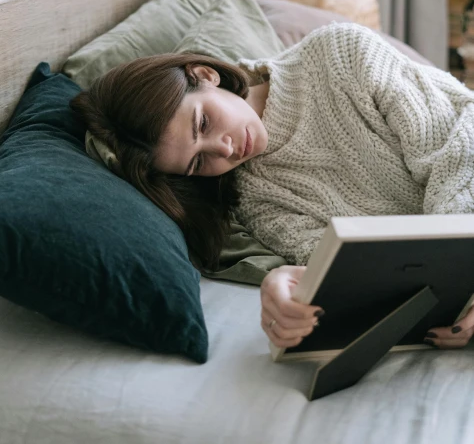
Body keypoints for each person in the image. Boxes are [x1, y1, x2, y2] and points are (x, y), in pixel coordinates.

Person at [70, 22, 474, 352]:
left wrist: (460, 266)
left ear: (206, 75)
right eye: (198, 161)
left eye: (204, 124)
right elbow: (351, 261)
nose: (224, 150)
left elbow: (459, 150)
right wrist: (296, 282)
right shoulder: (254, 200)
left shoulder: (338, 53)